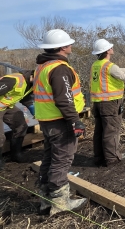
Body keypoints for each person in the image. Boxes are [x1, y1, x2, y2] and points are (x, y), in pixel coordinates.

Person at [33, 29, 87, 215]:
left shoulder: (43, 66)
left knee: (49, 158)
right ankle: (60, 202)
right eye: (69, 43)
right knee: (61, 160)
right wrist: (75, 121)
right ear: (63, 47)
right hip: (60, 122)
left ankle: (45, 199)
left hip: (48, 121)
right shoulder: (59, 69)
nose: (71, 46)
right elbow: (64, 99)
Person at [90, 39, 125, 167]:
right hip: (110, 104)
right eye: (110, 47)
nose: (112, 48)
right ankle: (112, 158)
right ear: (107, 51)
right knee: (111, 131)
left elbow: (116, 71)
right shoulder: (110, 66)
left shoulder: (97, 65)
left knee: (100, 131)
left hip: (98, 103)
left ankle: (99, 157)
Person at [0, 70, 34, 169]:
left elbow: (25, 98)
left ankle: (16, 154)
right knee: (0, 136)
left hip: (6, 106)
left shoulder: (30, 84)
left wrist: (33, 109)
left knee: (21, 125)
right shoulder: (14, 80)